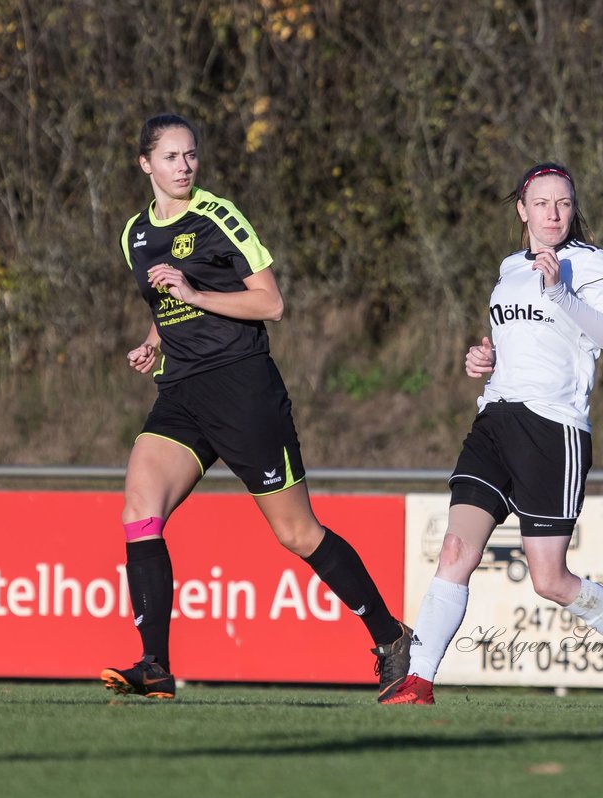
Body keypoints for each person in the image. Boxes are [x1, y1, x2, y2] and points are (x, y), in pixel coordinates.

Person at [100, 114, 412, 701]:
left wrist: (194, 292)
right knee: (139, 511)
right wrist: (152, 340)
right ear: (145, 164)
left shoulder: (218, 216)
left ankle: (392, 637)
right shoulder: (133, 235)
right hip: (182, 393)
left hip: (243, 389)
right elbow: (165, 306)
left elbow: (271, 304)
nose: (184, 167)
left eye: (190, 155)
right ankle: (155, 667)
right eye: (170, 157)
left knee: (296, 533)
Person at [383, 162, 603, 708]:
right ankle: (418, 683)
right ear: (521, 210)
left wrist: (561, 292)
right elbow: (528, 344)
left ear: (574, 210)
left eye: (564, 203)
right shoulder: (508, 268)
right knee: (455, 548)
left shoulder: (589, 264)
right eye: (541, 203)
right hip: (495, 419)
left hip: (553, 429)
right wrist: (488, 358)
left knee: (549, 579)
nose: (553, 213)